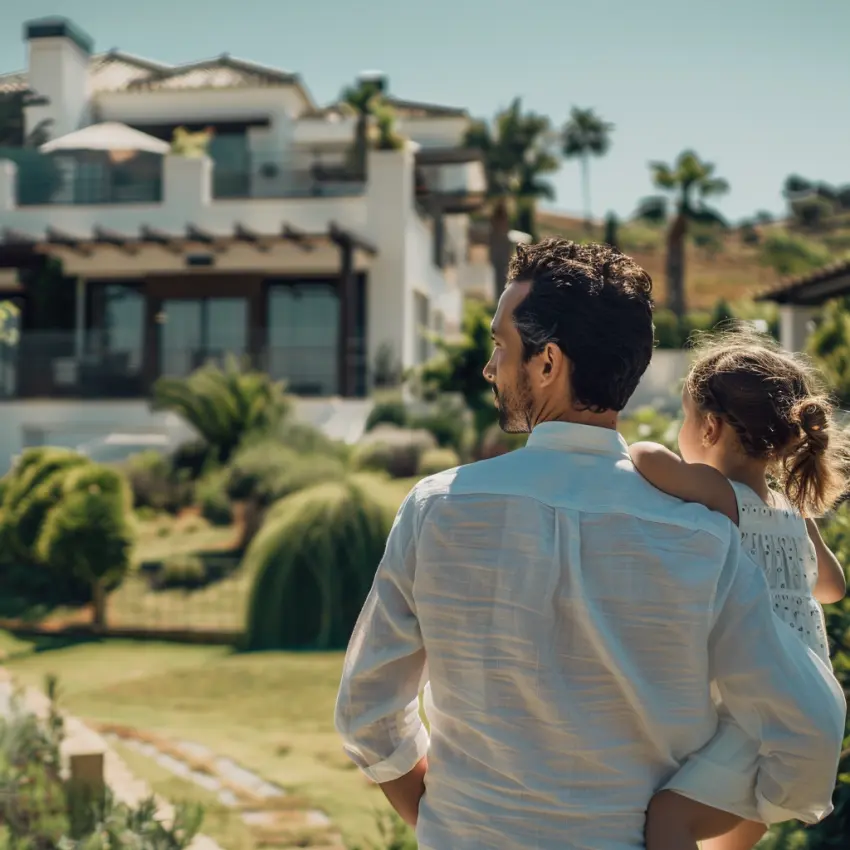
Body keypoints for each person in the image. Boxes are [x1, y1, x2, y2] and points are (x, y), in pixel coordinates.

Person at [334, 239, 846, 850]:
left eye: (500, 346)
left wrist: (447, 826)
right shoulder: (705, 538)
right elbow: (809, 726)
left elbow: (368, 712)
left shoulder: (437, 510)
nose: (488, 368)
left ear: (548, 363)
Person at [630, 326, 849, 850]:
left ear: (708, 427)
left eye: (684, 416)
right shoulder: (791, 512)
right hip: (804, 709)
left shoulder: (718, 493)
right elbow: (833, 586)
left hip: (761, 723)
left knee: (668, 820)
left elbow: (641, 455)